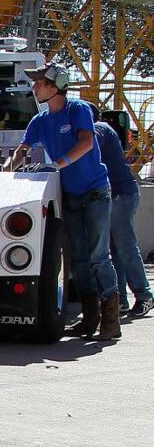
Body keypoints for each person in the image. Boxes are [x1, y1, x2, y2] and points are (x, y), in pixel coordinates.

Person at [2, 63, 120, 340]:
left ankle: (111, 321)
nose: (34, 87)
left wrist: (58, 164)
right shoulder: (40, 121)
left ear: (55, 87)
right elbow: (23, 149)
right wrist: (7, 168)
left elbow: (87, 143)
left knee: (98, 257)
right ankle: (90, 319)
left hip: (95, 193)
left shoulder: (77, 109)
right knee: (78, 259)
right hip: (70, 195)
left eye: (39, 82)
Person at [88, 105, 153, 318]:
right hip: (115, 194)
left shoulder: (99, 128)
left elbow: (90, 146)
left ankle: (144, 296)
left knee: (124, 246)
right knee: (114, 249)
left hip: (121, 195)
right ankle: (121, 301)